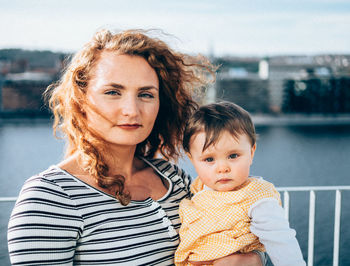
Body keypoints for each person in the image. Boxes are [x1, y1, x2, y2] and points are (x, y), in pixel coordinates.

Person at [7, 29, 265, 265]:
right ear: (81, 101)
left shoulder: (173, 177)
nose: (132, 110)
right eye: (112, 92)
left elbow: (237, 238)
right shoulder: (49, 198)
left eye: (146, 94)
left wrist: (255, 259)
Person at [174, 102, 306, 266]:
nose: (222, 168)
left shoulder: (257, 196)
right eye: (209, 159)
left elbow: (281, 241)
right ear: (192, 160)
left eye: (233, 156)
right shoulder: (199, 187)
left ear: (251, 152)